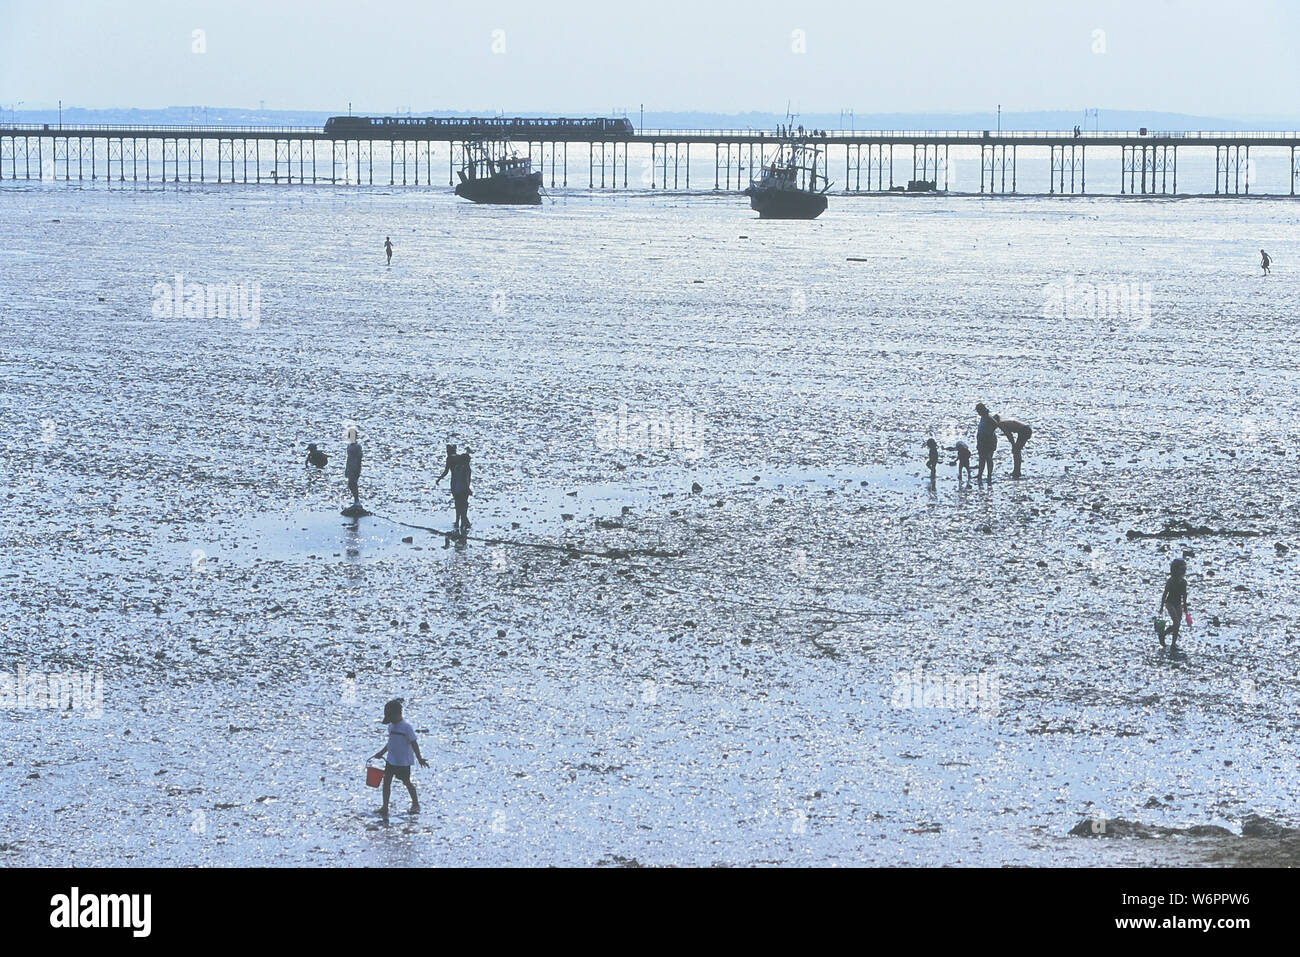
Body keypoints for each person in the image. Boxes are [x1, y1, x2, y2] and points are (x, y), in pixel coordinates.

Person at [371, 698, 428, 816]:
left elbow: (414, 743)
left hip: (403, 762)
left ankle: (416, 804)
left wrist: (419, 758)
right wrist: (381, 753)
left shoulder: (406, 727)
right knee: (386, 782)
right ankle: (385, 806)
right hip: (391, 760)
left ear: (398, 714)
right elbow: (390, 743)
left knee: (406, 782)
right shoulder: (391, 727)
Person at [1158, 558, 1190, 649]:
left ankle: (1173, 644)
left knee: (1178, 624)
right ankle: (1163, 635)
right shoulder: (1171, 581)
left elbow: (1184, 595)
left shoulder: (1184, 582)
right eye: (1181, 569)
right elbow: (1165, 594)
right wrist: (1161, 606)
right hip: (1170, 603)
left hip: (1178, 603)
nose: (1183, 571)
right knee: (1176, 623)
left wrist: (1185, 607)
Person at [974, 403, 998, 484]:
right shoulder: (983, 417)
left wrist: (989, 433)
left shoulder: (988, 417)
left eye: (978, 411)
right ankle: (980, 474)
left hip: (988, 441)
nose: (978, 412)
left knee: (988, 458)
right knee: (981, 459)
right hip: (982, 440)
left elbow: (996, 424)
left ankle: (989, 475)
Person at [344, 427, 362, 504]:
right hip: (350, 466)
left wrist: (358, 469)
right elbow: (348, 458)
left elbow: (359, 458)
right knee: (350, 484)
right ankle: (355, 499)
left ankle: (356, 499)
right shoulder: (349, 446)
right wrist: (346, 469)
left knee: (353, 483)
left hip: (355, 466)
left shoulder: (357, 446)